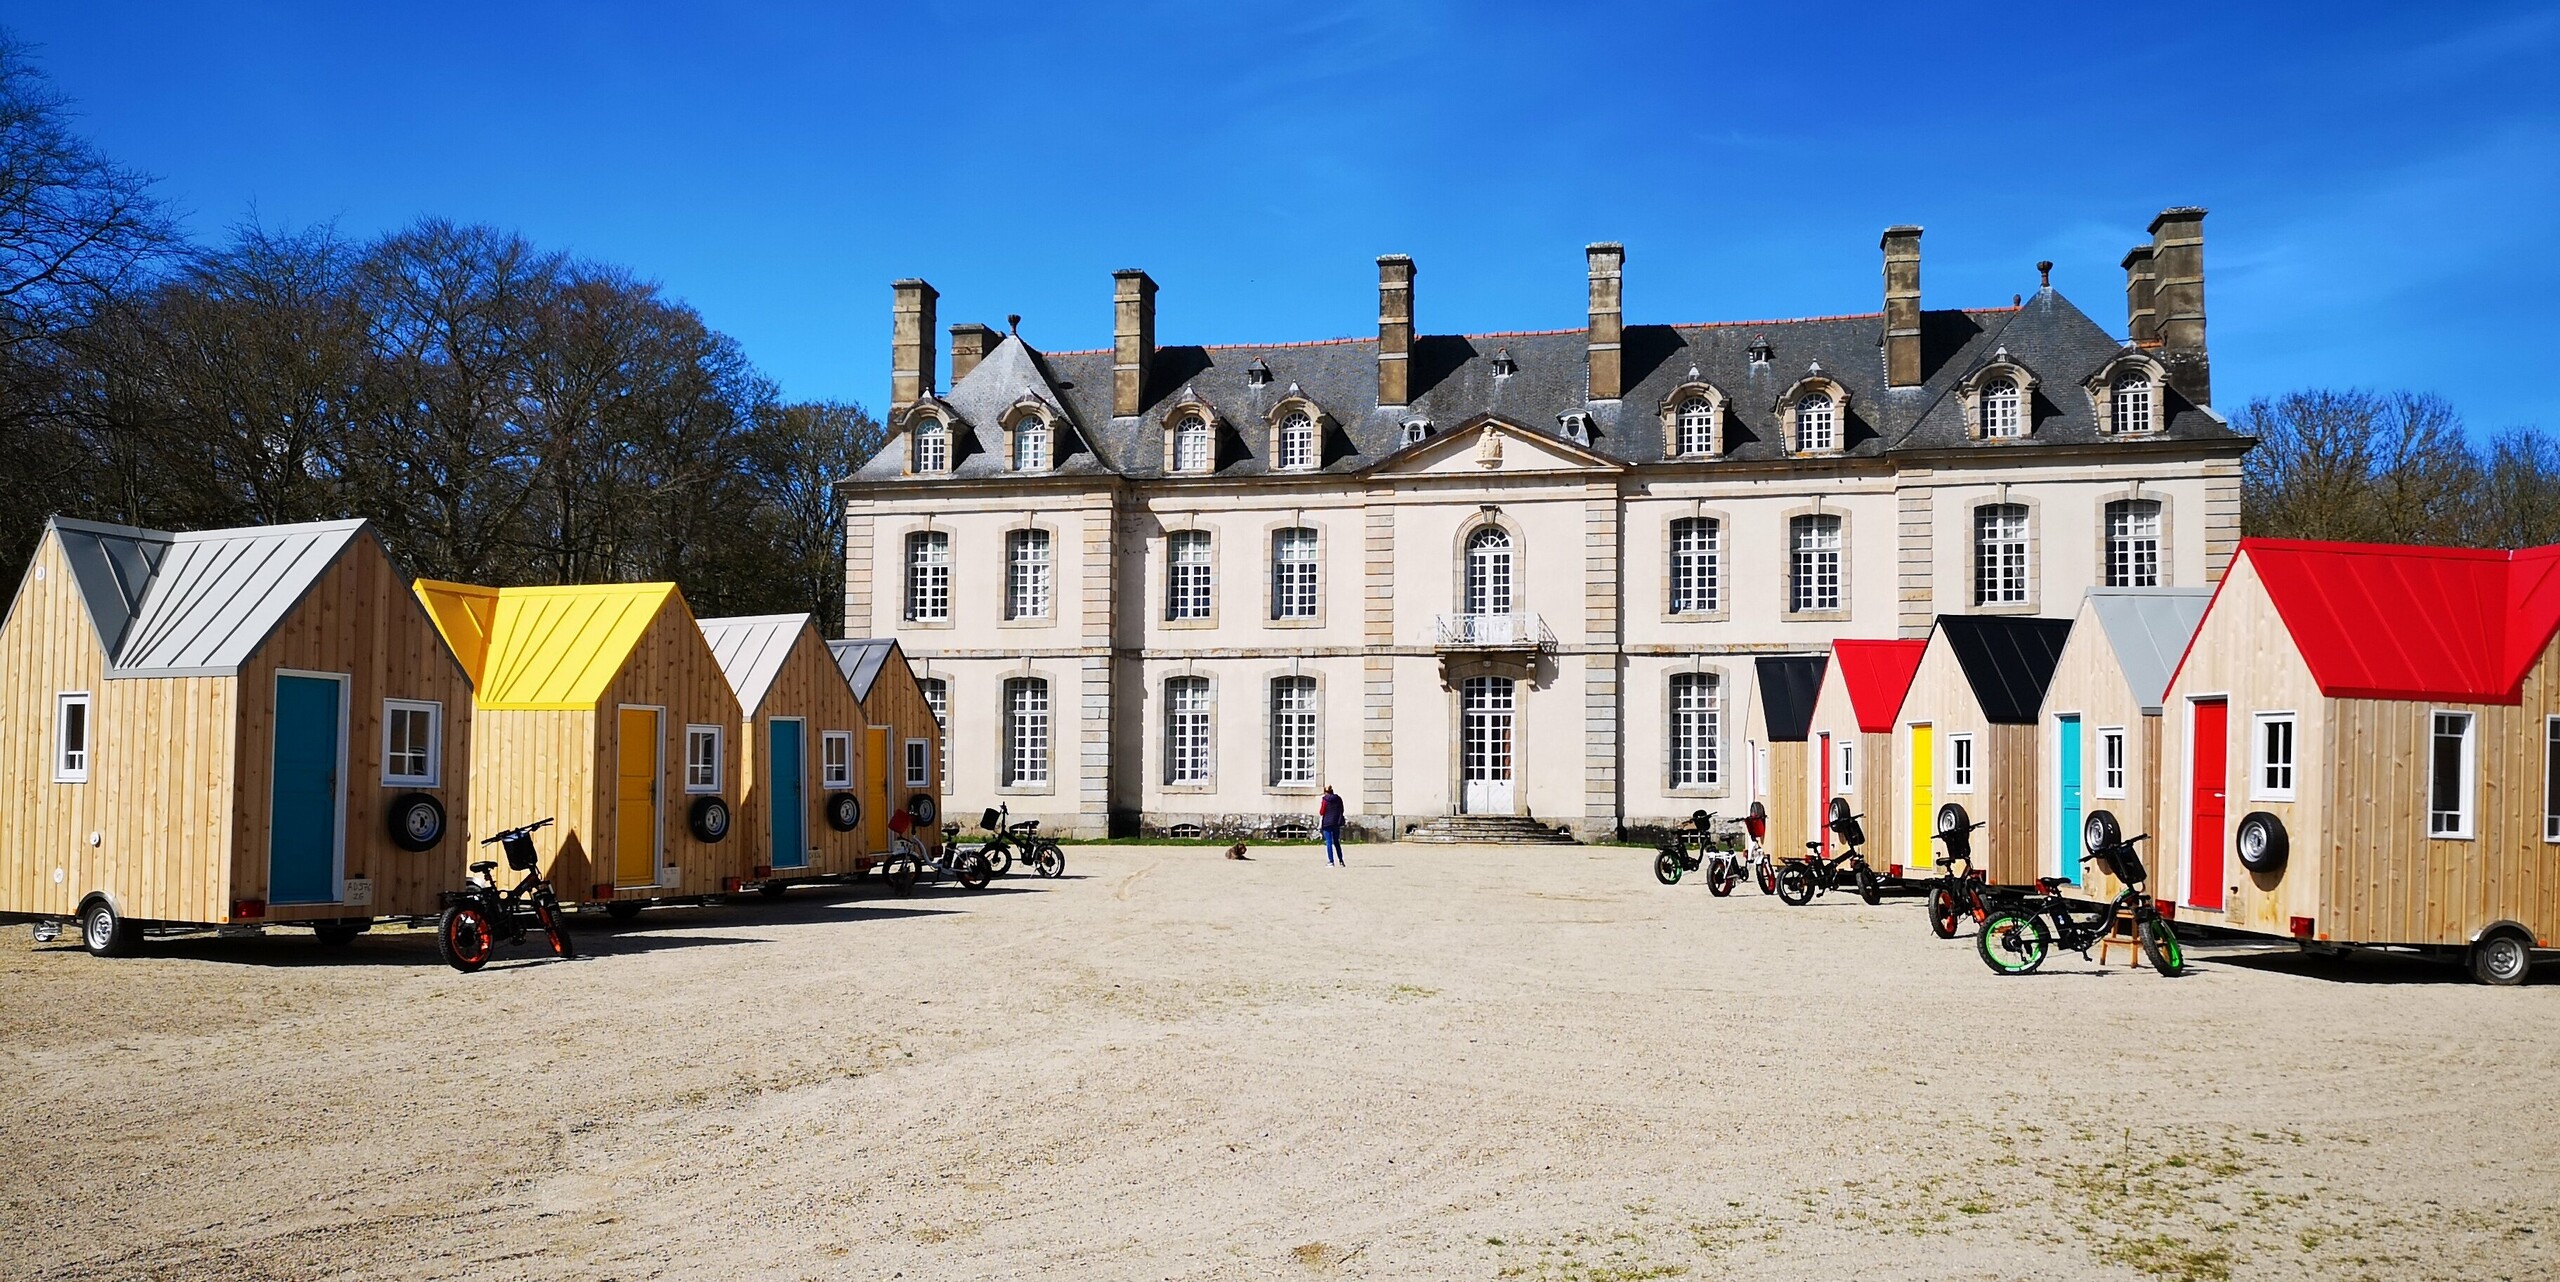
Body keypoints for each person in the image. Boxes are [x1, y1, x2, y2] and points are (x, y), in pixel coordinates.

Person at [1318, 785, 1346, 866]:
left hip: (1327, 822)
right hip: (1336, 821)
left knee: (1329, 842)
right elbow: (1342, 809)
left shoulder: (1325, 800)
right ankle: (1341, 860)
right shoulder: (1338, 799)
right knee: (1336, 841)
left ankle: (1331, 861)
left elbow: (1321, 812)